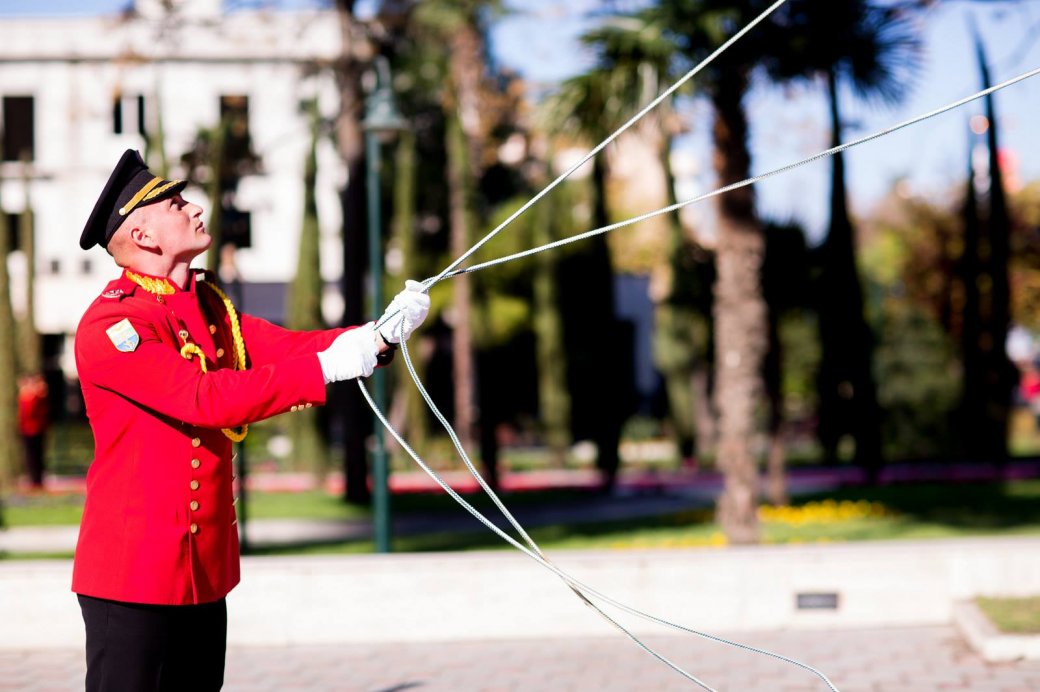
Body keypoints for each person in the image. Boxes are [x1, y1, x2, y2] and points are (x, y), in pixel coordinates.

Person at [72, 149, 429, 692]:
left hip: (201, 568)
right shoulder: (113, 323)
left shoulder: (208, 306)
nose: (194, 209)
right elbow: (202, 397)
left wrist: (376, 335)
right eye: (176, 204)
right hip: (134, 570)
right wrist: (330, 365)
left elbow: (283, 349)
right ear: (143, 236)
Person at [17, 372, 49, 489]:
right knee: (31, 456)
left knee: (37, 456)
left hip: (37, 430)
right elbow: (27, 414)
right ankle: (34, 480)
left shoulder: (37, 397)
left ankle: (37, 480)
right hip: (29, 430)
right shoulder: (29, 397)